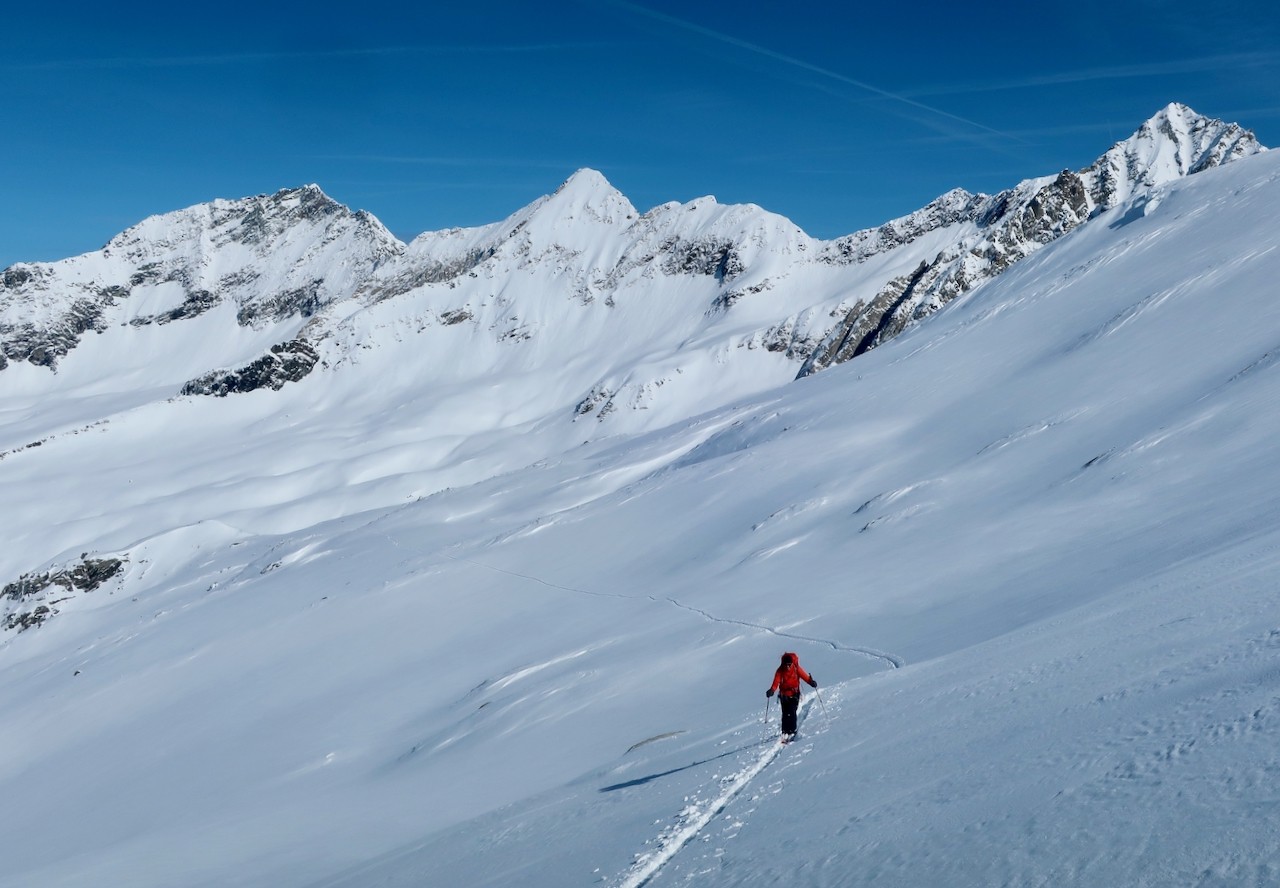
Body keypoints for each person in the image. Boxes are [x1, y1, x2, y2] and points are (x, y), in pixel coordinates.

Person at [766, 651, 817, 739]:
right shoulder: (780, 670)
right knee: (785, 713)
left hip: (794, 693)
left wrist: (811, 682)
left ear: (792, 663)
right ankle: (785, 731)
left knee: (792, 712)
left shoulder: (796, 668)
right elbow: (776, 681)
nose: (788, 666)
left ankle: (792, 730)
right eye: (786, 664)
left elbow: (804, 676)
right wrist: (772, 690)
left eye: (789, 664)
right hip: (784, 694)